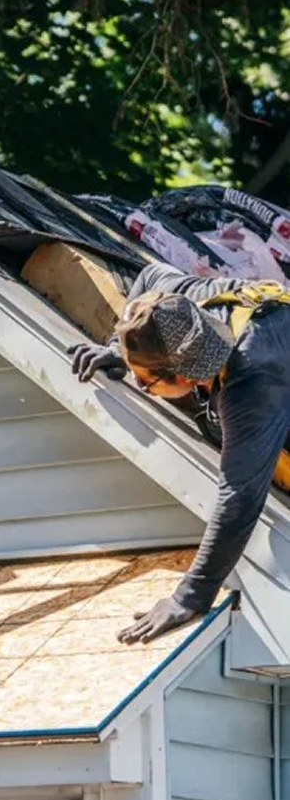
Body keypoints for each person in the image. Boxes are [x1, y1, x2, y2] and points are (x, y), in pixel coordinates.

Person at [69, 260, 290, 645]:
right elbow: (149, 277)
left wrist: (190, 596)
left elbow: (238, 497)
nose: (139, 385)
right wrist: (118, 348)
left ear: (183, 376)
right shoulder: (180, 310)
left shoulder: (251, 387)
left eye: (146, 381)